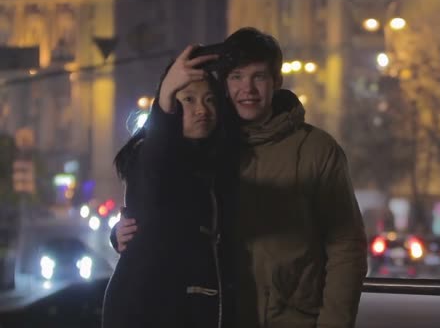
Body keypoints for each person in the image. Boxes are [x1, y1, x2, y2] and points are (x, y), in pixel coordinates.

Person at [113, 27, 368, 327]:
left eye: (258, 76)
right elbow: (159, 188)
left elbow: (346, 246)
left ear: (276, 81)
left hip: (292, 318)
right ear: (225, 84)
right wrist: (128, 234)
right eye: (236, 77)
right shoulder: (210, 147)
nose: (247, 88)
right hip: (223, 316)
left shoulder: (315, 150)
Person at [103, 47, 239, 328]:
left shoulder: (211, 161)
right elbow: (157, 162)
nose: (202, 109)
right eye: (188, 100)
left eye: (210, 100)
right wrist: (165, 95)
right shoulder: (151, 154)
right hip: (149, 309)